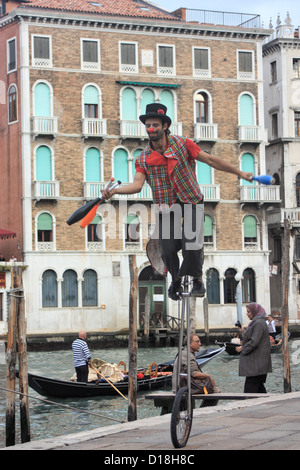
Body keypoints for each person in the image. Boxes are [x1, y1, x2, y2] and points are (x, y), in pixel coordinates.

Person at [102, 103, 253, 300]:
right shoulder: (143, 158)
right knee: (168, 249)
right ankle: (175, 280)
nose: (151, 129)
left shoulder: (183, 144)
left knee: (192, 240)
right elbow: (137, 185)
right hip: (166, 204)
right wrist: (114, 192)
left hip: (190, 198)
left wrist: (239, 172)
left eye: (155, 124)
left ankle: (198, 280)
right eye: (148, 125)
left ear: (164, 126)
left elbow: (211, 160)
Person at [236, 303, 272, 393]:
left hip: (256, 366)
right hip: (257, 365)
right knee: (259, 389)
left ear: (254, 312)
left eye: (248, 312)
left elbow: (254, 342)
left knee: (249, 391)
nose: (247, 314)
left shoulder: (259, 323)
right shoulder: (256, 323)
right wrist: (243, 331)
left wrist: (242, 348)